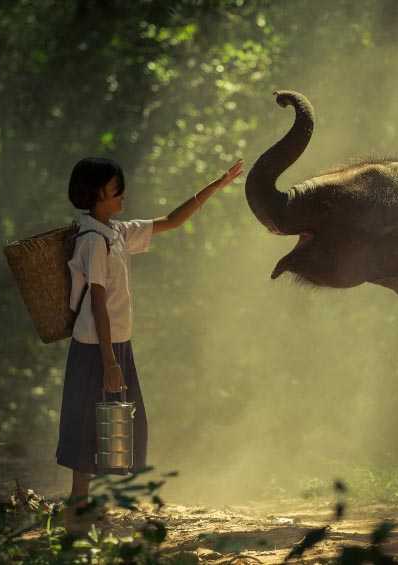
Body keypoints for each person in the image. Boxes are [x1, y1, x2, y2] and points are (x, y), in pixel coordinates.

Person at [58, 156, 244, 532]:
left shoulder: (116, 232)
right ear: (96, 196)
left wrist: (216, 185)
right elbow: (97, 302)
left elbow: (172, 220)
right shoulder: (93, 241)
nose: (122, 196)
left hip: (116, 344)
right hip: (97, 346)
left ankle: (93, 505)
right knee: (87, 422)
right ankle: (78, 506)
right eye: (115, 191)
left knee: (117, 420)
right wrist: (109, 362)